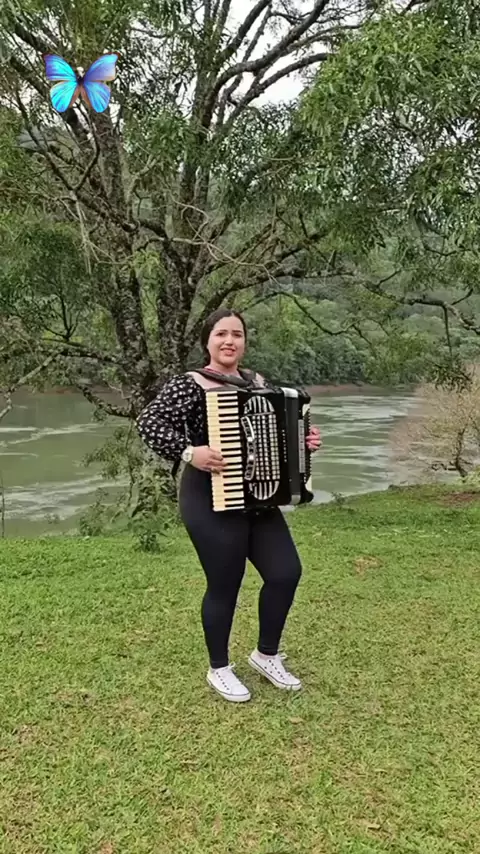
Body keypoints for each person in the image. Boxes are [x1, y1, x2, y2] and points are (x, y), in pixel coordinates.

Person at [135, 308, 322, 703]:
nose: (229, 341)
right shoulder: (190, 384)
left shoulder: (258, 383)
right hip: (209, 497)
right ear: (208, 340)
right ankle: (219, 668)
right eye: (221, 333)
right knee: (225, 584)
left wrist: (303, 441)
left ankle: (266, 655)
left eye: (237, 334)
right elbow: (148, 423)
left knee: (286, 572)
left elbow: (277, 434)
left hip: (259, 498)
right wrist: (191, 452)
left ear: (244, 341)